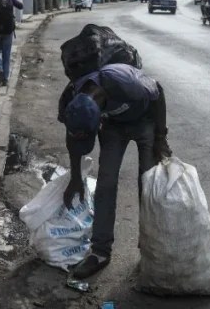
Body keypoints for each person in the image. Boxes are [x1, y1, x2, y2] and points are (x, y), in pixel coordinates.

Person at [59, 63, 172, 279]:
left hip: (145, 120)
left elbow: (158, 92)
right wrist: (75, 179)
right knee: (105, 185)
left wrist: (161, 137)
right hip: (113, 126)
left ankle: (150, 251)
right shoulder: (71, 100)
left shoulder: (125, 85)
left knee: (148, 186)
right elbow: (73, 139)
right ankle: (100, 252)